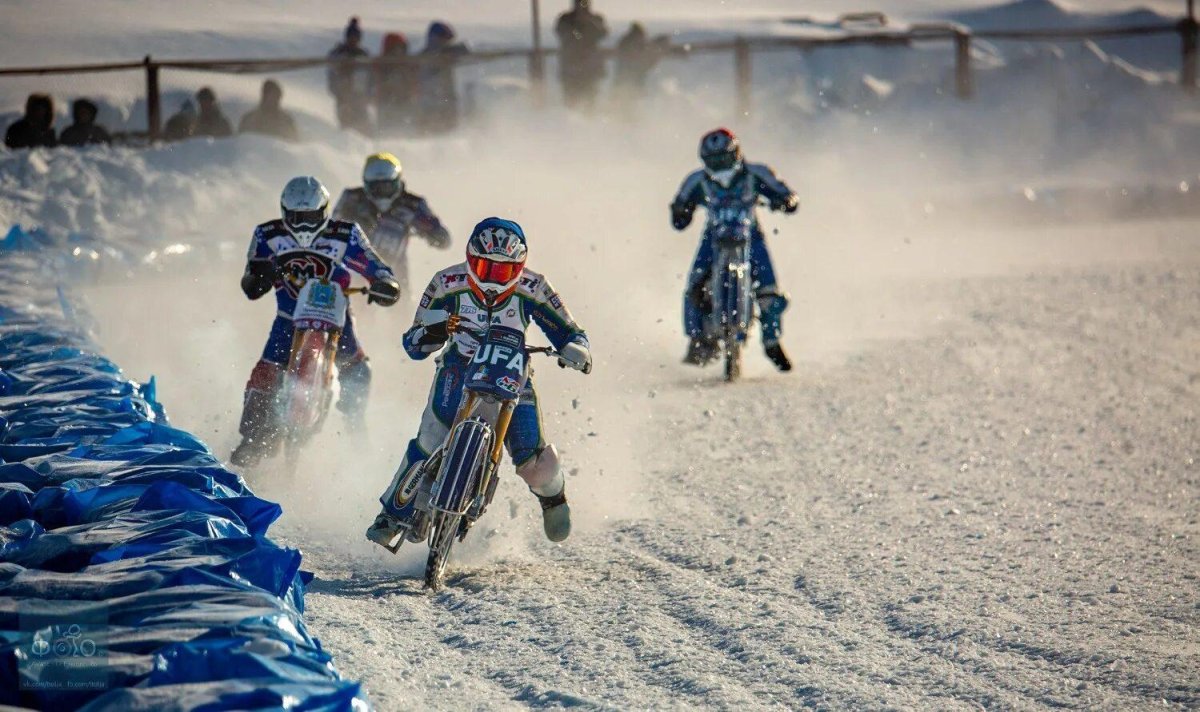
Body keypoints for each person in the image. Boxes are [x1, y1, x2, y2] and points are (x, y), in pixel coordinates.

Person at [366, 217, 592, 551]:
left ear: (520, 267)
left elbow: (570, 331)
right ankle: (391, 514)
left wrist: (576, 349)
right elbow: (413, 343)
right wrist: (429, 333)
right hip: (458, 367)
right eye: (485, 267)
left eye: (503, 271)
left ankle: (553, 498)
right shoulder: (446, 283)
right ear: (470, 259)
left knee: (534, 462)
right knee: (429, 438)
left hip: (513, 372)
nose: (492, 279)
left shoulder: (535, 287)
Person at [230, 176, 401, 467]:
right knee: (266, 372)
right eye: (297, 218)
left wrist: (384, 283)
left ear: (324, 211)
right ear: (284, 212)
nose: (304, 226)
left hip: (335, 316)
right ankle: (253, 440)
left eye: (310, 218)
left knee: (358, 370)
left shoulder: (345, 233)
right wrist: (259, 277)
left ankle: (355, 426)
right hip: (288, 318)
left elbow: (374, 263)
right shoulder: (267, 234)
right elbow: (251, 281)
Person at [670, 128, 799, 371]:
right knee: (695, 285)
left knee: (769, 292)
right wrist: (680, 211)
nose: (720, 167)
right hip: (713, 238)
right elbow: (679, 211)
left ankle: (772, 341)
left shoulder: (756, 174)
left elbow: (785, 193)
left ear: (736, 154)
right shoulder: (697, 181)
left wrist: (785, 201)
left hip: (751, 237)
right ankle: (697, 339)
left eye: (724, 159)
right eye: (714, 161)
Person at [332, 152, 450, 295]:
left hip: (396, 269)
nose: (382, 194)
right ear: (366, 184)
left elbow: (444, 240)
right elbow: (331, 230)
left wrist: (429, 230)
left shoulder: (412, 204)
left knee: (402, 301)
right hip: (355, 266)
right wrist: (354, 220)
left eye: (387, 187)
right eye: (376, 188)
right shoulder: (352, 200)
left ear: (397, 182)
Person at [554, 0, 609, 109]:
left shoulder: (595, 19)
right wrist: (576, 29)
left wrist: (589, 23)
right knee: (571, 102)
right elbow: (562, 33)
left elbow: (602, 33)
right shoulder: (566, 19)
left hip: (589, 68)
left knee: (590, 102)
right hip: (571, 67)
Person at [415, 21, 468, 133]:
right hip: (431, 107)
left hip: (445, 106)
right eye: (445, 40)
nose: (447, 43)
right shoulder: (425, 56)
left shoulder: (448, 53)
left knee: (447, 136)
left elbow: (464, 50)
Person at [328, 16, 372, 135]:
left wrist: (368, 95)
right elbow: (332, 76)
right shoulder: (338, 54)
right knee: (347, 127)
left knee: (364, 128)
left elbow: (369, 77)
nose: (353, 40)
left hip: (360, 98)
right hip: (344, 98)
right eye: (351, 37)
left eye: (356, 38)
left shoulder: (363, 55)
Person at [613, 23, 673, 102]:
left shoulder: (636, 46)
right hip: (628, 83)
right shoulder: (635, 48)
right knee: (625, 102)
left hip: (628, 83)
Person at [373, 33, 416, 133]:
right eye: (396, 48)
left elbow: (413, 83)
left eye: (401, 48)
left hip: (404, 103)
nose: (398, 51)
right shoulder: (381, 64)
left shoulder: (407, 65)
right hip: (386, 103)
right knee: (386, 130)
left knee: (406, 129)